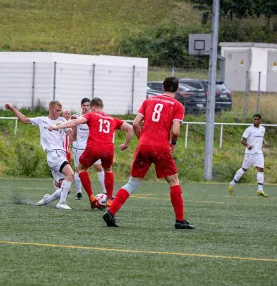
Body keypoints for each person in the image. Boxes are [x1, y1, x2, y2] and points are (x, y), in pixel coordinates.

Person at [101, 77, 194, 229]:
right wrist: (173, 143)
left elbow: (136, 123)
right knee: (173, 181)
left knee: (133, 182)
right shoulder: (177, 106)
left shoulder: (148, 101)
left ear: (163, 87)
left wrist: (142, 139)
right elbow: (175, 131)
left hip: (144, 145)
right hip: (161, 147)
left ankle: (111, 212)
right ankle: (180, 220)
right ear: (177, 89)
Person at [49, 97, 134, 209]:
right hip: (108, 150)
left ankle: (91, 197)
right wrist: (126, 144)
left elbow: (75, 121)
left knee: (81, 169)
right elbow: (130, 128)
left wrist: (57, 126)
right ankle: (109, 199)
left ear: (93, 107)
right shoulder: (112, 119)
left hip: (93, 148)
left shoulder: (91, 115)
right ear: (101, 106)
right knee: (108, 169)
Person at [5, 101, 75, 210]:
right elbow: (24, 119)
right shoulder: (42, 120)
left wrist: (76, 125)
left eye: (60, 110)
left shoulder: (62, 121)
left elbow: (72, 136)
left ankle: (47, 200)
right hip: (54, 154)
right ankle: (61, 203)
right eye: (57, 110)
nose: (59, 112)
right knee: (71, 175)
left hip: (59, 155)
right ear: (50, 110)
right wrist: (12, 108)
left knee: (66, 189)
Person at [71, 98, 107, 200]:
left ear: (90, 106)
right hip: (79, 147)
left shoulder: (94, 116)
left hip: (92, 147)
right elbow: (68, 125)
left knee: (99, 167)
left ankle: (105, 191)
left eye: (88, 105)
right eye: (84, 105)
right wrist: (71, 134)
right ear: (81, 106)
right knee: (79, 169)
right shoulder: (76, 116)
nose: (86, 107)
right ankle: (79, 192)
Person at [228, 113, 270, 197]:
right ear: (253, 120)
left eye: (257, 119)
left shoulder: (263, 129)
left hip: (259, 153)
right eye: (254, 119)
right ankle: (232, 184)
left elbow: (261, 137)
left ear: (260, 120)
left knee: (261, 169)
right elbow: (242, 140)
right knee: (244, 169)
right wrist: (248, 145)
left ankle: (260, 190)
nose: (256, 121)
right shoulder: (249, 129)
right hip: (249, 153)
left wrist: (264, 142)